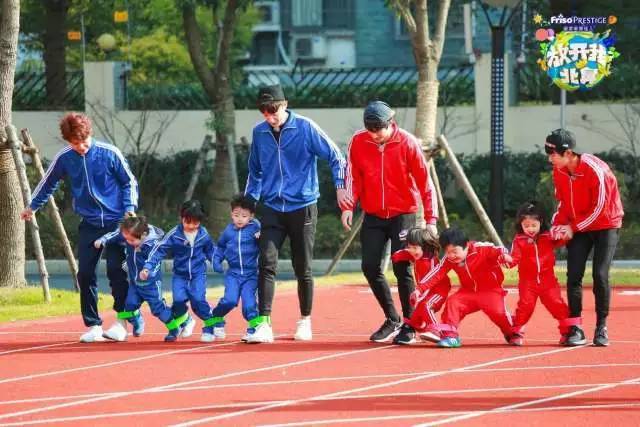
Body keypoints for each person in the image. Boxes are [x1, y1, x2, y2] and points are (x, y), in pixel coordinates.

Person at [20, 112, 138, 343]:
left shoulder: (109, 153)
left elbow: (129, 182)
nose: (81, 147)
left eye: (83, 141)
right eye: (75, 143)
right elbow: (48, 182)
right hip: (90, 223)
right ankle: (93, 325)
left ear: (89, 134)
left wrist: (129, 208)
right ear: (68, 141)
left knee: (117, 271)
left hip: (117, 222)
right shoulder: (65, 158)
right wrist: (32, 206)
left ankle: (121, 323)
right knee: (85, 274)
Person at [243, 84, 348, 343]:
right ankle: (264, 323)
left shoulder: (305, 127)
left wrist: (340, 188)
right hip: (272, 207)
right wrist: (248, 205)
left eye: (274, 110)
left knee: (302, 267)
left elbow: (337, 157)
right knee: (266, 262)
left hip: (303, 206)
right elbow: (254, 171)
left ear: (285, 104)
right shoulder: (259, 133)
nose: (270, 117)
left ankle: (304, 320)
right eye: (265, 112)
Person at [341, 100, 438, 344]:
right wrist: (348, 206)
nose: (374, 135)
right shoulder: (358, 141)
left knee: (402, 267)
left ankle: (410, 324)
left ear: (390, 123)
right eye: (370, 129)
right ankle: (392, 318)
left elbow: (425, 183)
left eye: (379, 129)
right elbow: (353, 175)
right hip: (373, 214)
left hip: (403, 213)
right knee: (369, 266)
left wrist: (431, 219)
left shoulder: (408, 142)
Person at [544, 129, 624, 347]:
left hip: (606, 223)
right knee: (574, 275)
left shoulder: (597, 171)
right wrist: (557, 225)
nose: (550, 159)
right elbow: (562, 202)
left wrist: (572, 227)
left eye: (553, 154)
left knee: (600, 274)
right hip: (578, 224)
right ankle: (575, 327)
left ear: (569, 153)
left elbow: (600, 209)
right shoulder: (559, 170)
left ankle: (601, 326)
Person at [94, 216, 193, 342]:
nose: (128, 242)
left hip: (151, 285)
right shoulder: (130, 236)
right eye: (126, 239)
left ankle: (178, 325)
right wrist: (103, 240)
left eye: (132, 240)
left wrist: (147, 271)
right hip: (135, 284)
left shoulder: (152, 245)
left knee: (158, 310)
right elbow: (116, 234)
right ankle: (138, 322)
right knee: (129, 305)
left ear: (144, 235)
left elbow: (155, 260)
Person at [417, 228, 513, 348]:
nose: (451, 255)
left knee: (499, 314)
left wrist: (505, 255)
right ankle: (451, 337)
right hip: (468, 292)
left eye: (455, 251)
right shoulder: (449, 259)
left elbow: (498, 249)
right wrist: (419, 289)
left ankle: (512, 332)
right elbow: (437, 272)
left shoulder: (481, 249)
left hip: (491, 291)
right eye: (447, 252)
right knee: (453, 302)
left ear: (466, 245)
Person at [140, 200, 215, 342]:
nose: (191, 226)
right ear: (182, 218)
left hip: (198, 274)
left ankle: (210, 327)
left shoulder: (204, 234)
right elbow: (159, 250)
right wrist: (148, 267)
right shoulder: (174, 234)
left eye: (195, 223)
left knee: (198, 300)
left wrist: (216, 262)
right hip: (180, 275)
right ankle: (183, 322)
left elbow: (211, 251)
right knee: (178, 301)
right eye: (187, 222)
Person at [502, 201, 574, 346]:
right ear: (520, 224)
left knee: (556, 303)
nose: (530, 229)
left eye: (534, 225)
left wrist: (566, 232)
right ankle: (515, 332)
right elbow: (514, 259)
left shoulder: (548, 236)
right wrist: (506, 260)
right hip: (528, 282)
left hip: (548, 280)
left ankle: (568, 331)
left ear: (541, 222)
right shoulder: (519, 240)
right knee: (525, 306)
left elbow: (564, 239)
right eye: (526, 225)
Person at [209, 194, 261, 342]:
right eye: (236, 215)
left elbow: (267, 243)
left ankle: (253, 329)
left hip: (251, 275)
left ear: (251, 216)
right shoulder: (228, 231)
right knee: (229, 301)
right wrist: (216, 261)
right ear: (231, 214)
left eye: (244, 216)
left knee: (249, 304)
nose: (239, 219)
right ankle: (217, 318)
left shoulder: (256, 228)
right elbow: (220, 247)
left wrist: (261, 237)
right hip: (233, 274)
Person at [391, 227, 451, 345]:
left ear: (424, 246)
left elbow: (431, 281)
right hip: (425, 290)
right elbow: (403, 254)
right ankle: (424, 329)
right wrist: (396, 256)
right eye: (409, 247)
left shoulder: (430, 262)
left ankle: (437, 331)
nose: (412, 251)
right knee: (415, 317)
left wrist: (419, 294)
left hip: (439, 290)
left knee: (426, 305)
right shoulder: (417, 254)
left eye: (415, 248)